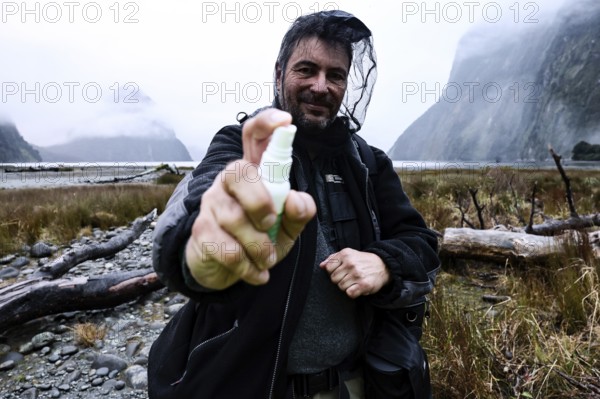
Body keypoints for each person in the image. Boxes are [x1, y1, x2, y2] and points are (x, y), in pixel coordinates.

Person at [148, 10, 440, 399]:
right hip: (253, 386)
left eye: (335, 75)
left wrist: (386, 263)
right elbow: (196, 214)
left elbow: (422, 243)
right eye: (307, 69)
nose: (321, 86)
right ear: (280, 72)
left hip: (354, 384)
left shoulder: (369, 164)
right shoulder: (238, 146)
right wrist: (210, 247)